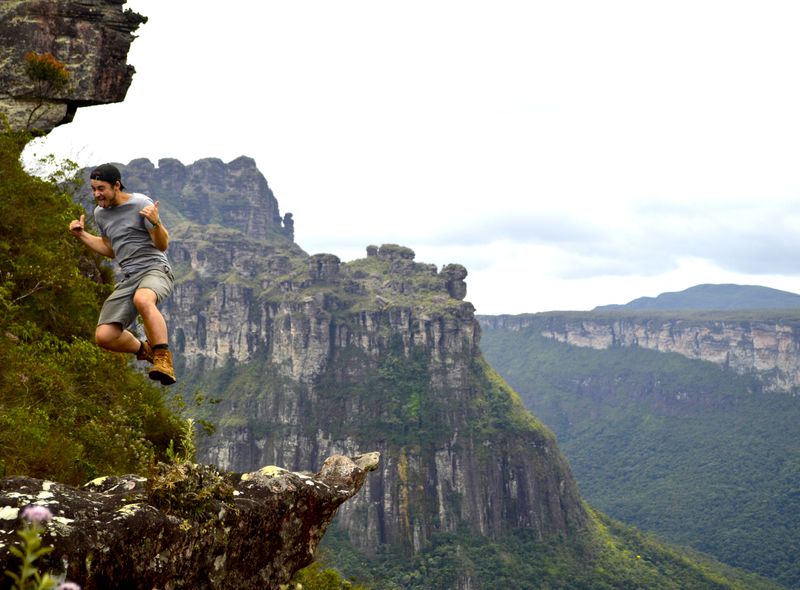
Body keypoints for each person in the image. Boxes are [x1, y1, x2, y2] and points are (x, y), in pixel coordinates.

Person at [68, 163, 176, 385]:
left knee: (143, 299)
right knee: (104, 336)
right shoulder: (101, 214)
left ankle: (163, 358)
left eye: (101, 188)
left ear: (116, 186)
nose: (97, 194)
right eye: (94, 189)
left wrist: (156, 223)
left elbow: (162, 245)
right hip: (130, 277)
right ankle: (144, 350)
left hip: (154, 269)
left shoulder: (141, 203)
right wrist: (82, 235)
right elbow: (110, 249)